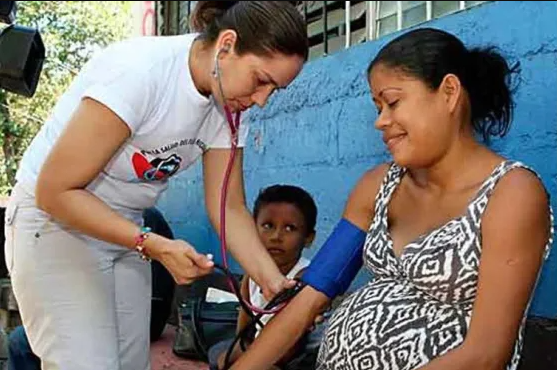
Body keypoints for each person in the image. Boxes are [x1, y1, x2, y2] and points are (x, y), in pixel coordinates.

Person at [2, 2, 308, 370]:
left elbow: (228, 207)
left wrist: (272, 281)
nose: (261, 100)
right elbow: (55, 190)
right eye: (260, 80)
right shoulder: (141, 73)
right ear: (226, 45)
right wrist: (153, 244)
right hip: (55, 222)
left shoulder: (229, 105)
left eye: (275, 89)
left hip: (126, 227)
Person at [228, 27, 554, 370]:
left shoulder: (512, 194)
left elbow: (487, 354)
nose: (381, 122)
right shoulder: (378, 186)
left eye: (393, 102)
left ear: (449, 92)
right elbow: (309, 299)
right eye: (377, 107)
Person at [7, 207, 177, 369]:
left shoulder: (117, 219)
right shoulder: (132, 215)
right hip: (146, 315)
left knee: (20, 340)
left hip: (145, 319)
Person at [207, 184, 320, 370]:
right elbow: (242, 330)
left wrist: (248, 359)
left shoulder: (304, 278)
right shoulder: (252, 273)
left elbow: (289, 347)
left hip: (292, 353)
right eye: (268, 226)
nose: (276, 236)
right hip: (256, 346)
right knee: (218, 355)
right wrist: (236, 354)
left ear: (308, 238)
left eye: (290, 228)